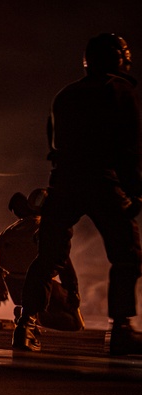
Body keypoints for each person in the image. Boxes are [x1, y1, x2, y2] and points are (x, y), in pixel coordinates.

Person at [13, 33, 142, 355]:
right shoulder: (119, 90)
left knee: (48, 258)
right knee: (127, 254)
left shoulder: (65, 95)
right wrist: (136, 191)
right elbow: (128, 149)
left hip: (65, 183)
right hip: (102, 180)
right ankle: (121, 330)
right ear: (116, 58)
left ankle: (25, 326)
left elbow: (54, 147)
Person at [0, 188, 85, 331]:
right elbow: (64, 263)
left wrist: (2, 288)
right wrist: (73, 291)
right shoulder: (43, 229)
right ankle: (34, 317)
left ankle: (29, 315)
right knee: (73, 323)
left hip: (14, 286)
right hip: (40, 283)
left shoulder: (6, 234)